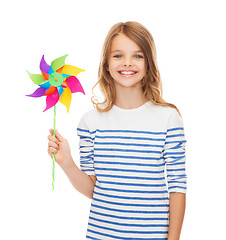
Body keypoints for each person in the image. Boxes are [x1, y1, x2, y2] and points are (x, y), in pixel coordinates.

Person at [48, 21, 187, 240]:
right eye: (118, 55)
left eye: (138, 56)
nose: (128, 63)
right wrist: (67, 162)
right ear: (106, 64)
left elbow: (178, 186)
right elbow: (93, 190)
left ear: (149, 64)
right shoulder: (90, 122)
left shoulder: (168, 118)